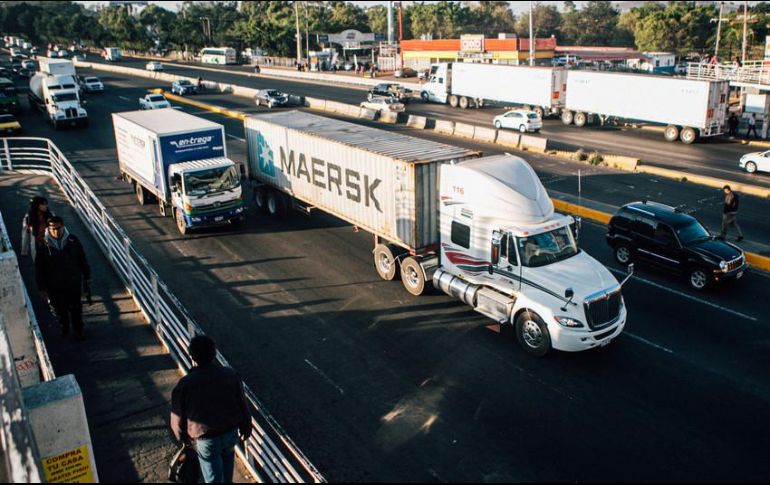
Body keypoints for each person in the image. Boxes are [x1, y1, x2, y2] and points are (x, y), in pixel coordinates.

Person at [171, 335, 252, 483]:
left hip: (206, 439)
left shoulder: (185, 385)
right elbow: (242, 403)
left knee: (213, 479)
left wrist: (183, 438)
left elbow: (177, 418)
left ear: (192, 356)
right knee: (227, 474)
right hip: (230, 433)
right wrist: (246, 426)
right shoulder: (230, 375)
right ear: (214, 353)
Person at [35, 216, 91, 339]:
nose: (55, 231)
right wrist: (42, 288)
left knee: (76, 308)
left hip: (72, 282)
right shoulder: (43, 245)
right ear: (48, 229)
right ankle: (64, 329)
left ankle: (79, 331)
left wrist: (87, 276)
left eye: (58, 228)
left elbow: (82, 259)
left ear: (63, 226)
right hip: (54, 285)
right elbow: (39, 268)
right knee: (60, 310)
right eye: (52, 229)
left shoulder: (73, 241)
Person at [21, 196, 53, 261]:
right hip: (36, 239)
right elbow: (26, 235)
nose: (46, 206)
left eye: (46, 204)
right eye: (43, 204)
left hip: (45, 238)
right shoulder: (29, 217)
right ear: (37, 206)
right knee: (37, 256)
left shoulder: (48, 214)